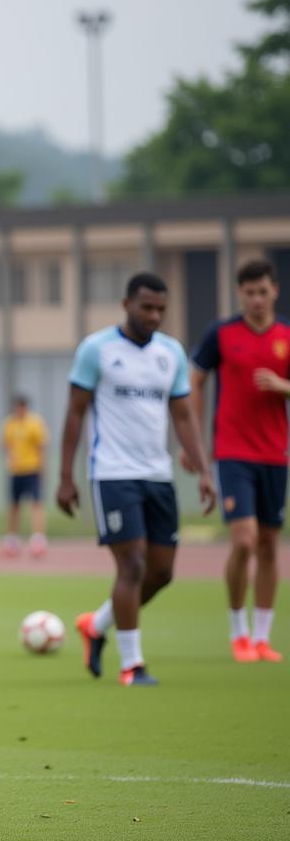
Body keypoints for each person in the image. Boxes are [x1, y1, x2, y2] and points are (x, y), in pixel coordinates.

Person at [57, 272, 216, 686]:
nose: (154, 315)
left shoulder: (171, 353)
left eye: (161, 309)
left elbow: (182, 414)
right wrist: (65, 477)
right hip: (112, 474)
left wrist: (204, 471)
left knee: (161, 573)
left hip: (158, 475)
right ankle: (133, 666)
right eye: (147, 307)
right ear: (127, 304)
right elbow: (75, 412)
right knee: (132, 565)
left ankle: (97, 625)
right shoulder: (97, 349)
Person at [188, 259, 289, 663]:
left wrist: (283, 386)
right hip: (232, 453)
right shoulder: (222, 334)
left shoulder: (286, 335)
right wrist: (194, 438)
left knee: (268, 545)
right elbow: (195, 379)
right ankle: (237, 631)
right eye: (249, 292)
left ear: (275, 291)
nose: (257, 299)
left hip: (275, 455)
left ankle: (262, 638)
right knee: (244, 540)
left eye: (263, 291)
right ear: (239, 294)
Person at [0, 394, 49, 558]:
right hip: (16, 471)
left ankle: (38, 539)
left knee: (36, 504)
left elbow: (41, 447)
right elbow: (5, 443)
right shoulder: (10, 424)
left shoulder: (35, 423)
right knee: (14, 505)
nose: (18, 410)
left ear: (26, 407)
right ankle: (12, 540)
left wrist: (42, 468)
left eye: (21, 407)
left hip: (32, 469)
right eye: (16, 407)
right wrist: (10, 457)